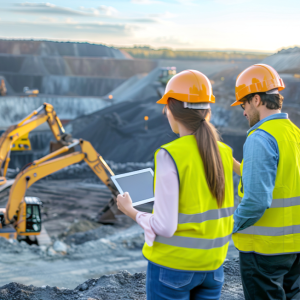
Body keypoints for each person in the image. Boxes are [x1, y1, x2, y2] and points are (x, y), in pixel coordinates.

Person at [117, 70, 240, 300]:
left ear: (170, 108)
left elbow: (165, 227)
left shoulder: (169, 155)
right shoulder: (224, 153)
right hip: (213, 267)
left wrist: (130, 211)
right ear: (208, 111)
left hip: (173, 268)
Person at [231, 64, 300, 300]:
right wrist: (236, 166)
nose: (243, 112)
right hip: (295, 246)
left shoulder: (260, 137)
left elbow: (257, 200)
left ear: (257, 99)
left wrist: (228, 227)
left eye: (244, 104)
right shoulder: (293, 132)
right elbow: (283, 178)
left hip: (264, 250)